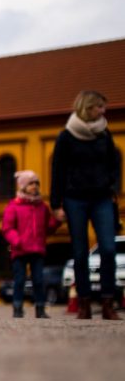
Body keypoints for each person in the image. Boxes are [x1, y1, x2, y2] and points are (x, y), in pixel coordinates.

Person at [50, 90, 121, 320]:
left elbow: (115, 162)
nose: (103, 111)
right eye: (99, 107)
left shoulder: (104, 134)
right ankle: (84, 304)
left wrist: (113, 187)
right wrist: (56, 204)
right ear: (87, 107)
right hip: (75, 199)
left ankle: (108, 302)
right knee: (80, 252)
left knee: (108, 249)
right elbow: (58, 171)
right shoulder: (67, 136)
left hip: (102, 198)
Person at [1, 170, 60, 319]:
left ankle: (40, 308)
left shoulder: (42, 207)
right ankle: (17, 307)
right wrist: (17, 241)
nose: (34, 186)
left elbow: (48, 227)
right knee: (19, 280)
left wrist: (58, 220)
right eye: (31, 184)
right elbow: (7, 228)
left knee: (39, 280)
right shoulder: (14, 206)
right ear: (22, 187)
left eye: (36, 183)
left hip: (37, 249)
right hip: (19, 250)